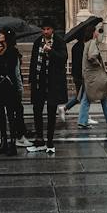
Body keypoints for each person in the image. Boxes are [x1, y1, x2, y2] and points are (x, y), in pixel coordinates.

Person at [29, 22, 67, 152]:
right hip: (39, 82)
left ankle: (50, 141)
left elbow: (63, 58)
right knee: (37, 110)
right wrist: (32, 80)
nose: (45, 31)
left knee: (51, 111)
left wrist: (51, 51)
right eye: (43, 29)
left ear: (53, 30)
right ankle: (39, 139)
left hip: (53, 83)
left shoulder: (59, 42)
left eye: (48, 29)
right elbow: (33, 62)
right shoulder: (37, 42)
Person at [0, 29, 22, 153]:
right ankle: (3, 142)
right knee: (0, 115)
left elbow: (8, 68)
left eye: (1, 35)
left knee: (10, 115)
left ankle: (12, 143)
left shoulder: (13, 51)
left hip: (9, 87)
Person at [78, 25, 107, 128]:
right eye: (95, 31)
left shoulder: (86, 43)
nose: (97, 33)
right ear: (93, 32)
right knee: (88, 98)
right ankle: (82, 121)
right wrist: (98, 64)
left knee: (103, 96)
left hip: (89, 76)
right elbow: (92, 56)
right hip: (94, 76)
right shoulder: (92, 42)